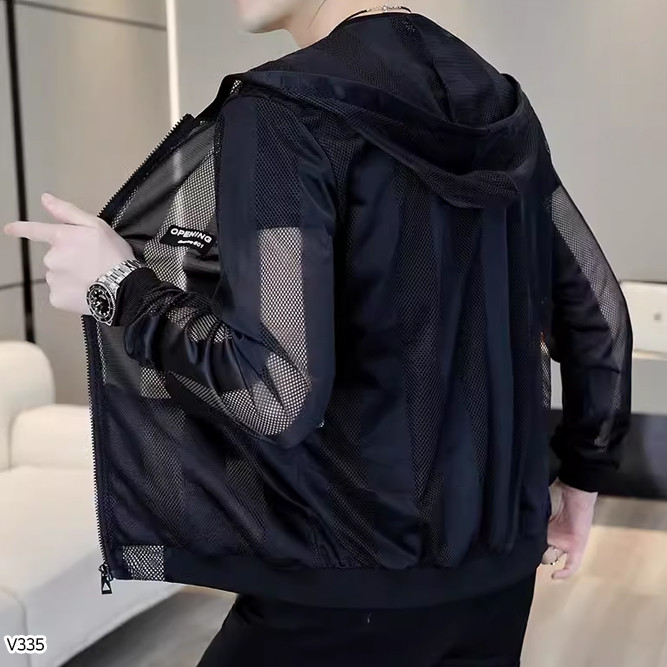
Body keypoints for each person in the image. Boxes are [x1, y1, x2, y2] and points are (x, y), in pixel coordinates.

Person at [4, 1, 632, 665]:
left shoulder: (282, 112)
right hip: (495, 577)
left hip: (343, 580)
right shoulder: (500, 106)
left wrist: (121, 290)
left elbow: (275, 393)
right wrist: (582, 479)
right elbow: (599, 314)